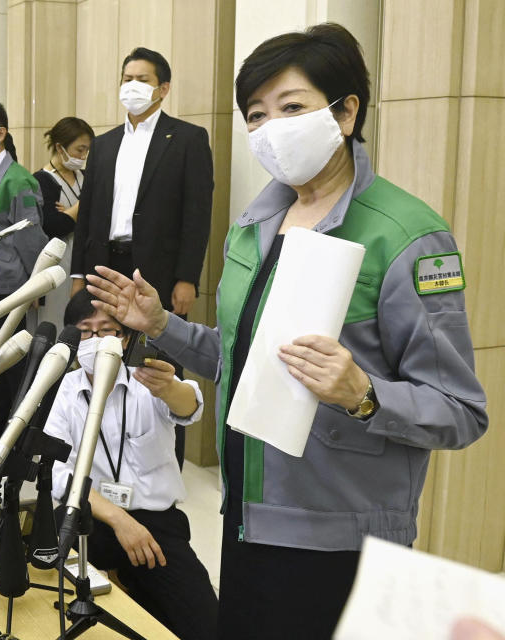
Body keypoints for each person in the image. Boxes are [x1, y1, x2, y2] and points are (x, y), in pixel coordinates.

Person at [85, 23, 488, 640]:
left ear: (346, 111)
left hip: (341, 537)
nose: (270, 129)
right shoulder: (255, 225)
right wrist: (162, 324)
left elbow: (460, 411)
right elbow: (244, 360)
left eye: (291, 108)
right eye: (255, 115)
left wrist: (363, 394)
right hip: (245, 519)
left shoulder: (406, 236)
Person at [46, 290, 217, 639]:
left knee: (203, 623)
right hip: (93, 520)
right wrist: (120, 520)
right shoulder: (66, 388)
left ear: (125, 338)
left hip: (156, 525)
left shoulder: (147, 379)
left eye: (107, 330)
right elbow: (58, 474)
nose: (96, 341)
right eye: (86, 331)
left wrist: (168, 388)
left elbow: (190, 406)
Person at [70, 46, 213, 319]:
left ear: (164, 88)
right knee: (103, 351)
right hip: (104, 267)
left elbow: (197, 216)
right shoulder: (103, 144)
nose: (133, 86)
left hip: (158, 271)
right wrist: (78, 275)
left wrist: (187, 279)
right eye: (127, 79)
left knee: (153, 355)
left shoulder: (187, 139)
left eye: (143, 80)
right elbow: (86, 213)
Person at [0, 99, 48, 439]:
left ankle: (4, 438)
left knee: (7, 370)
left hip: (7, 288)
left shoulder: (18, 181)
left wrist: (34, 289)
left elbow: (32, 241)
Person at [33, 116, 94, 330]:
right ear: (60, 147)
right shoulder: (42, 180)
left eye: (87, 150)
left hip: (87, 260)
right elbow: (55, 225)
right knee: (57, 321)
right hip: (59, 262)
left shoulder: (86, 177)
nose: (83, 156)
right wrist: (84, 203)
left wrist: (70, 212)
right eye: (79, 149)